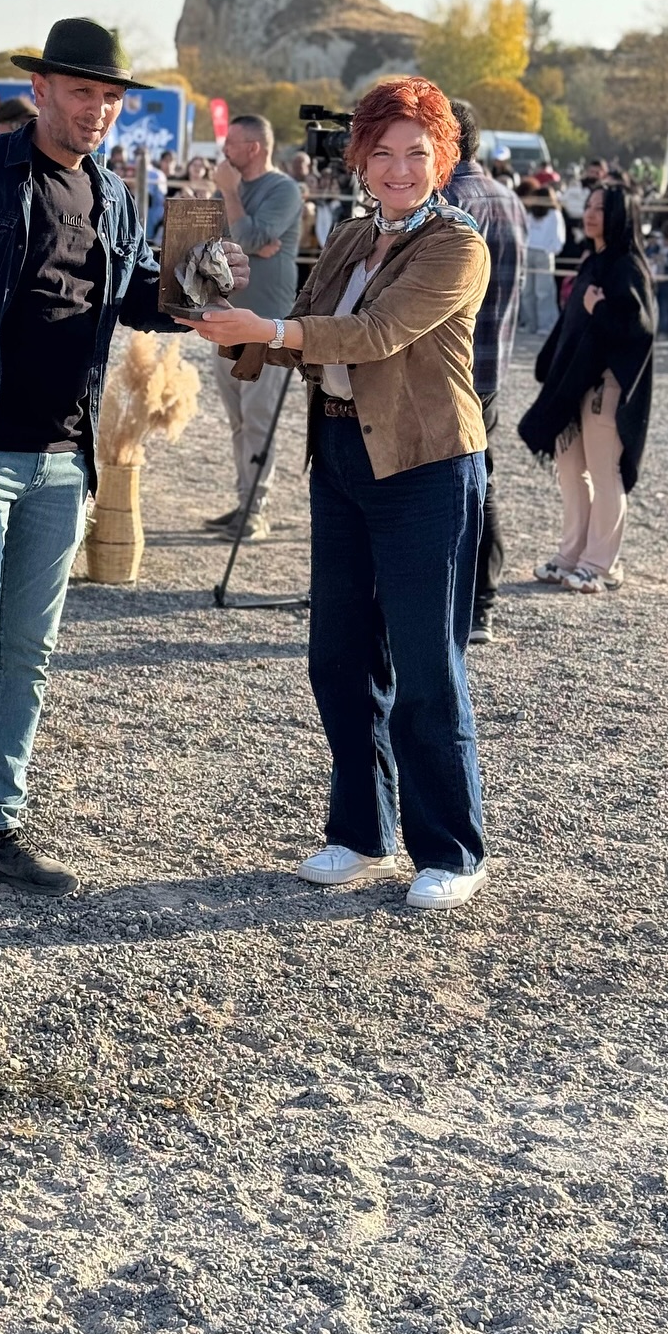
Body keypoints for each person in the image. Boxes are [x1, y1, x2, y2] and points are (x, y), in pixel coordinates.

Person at [0, 17, 249, 915]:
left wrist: (203, 287)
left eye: (109, 97)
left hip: (65, 457)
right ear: (43, 90)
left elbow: (142, 292)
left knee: (26, 652)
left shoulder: (112, 190)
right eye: (83, 93)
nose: (98, 110)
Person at [184, 76, 492, 912]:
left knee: (428, 665)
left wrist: (272, 329)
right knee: (338, 659)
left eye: (416, 154)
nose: (398, 168)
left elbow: (374, 335)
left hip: (427, 469)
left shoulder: (456, 244)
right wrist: (230, 310)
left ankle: (454, 848)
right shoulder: (354, 237)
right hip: (344, 461)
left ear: (442, 159)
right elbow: (304, 335)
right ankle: (362, 833)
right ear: (359, 158)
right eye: (383, 152)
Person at [519, 184, 654, 593]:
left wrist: (602, 309)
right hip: (571, 384)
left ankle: (601, 564)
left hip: (604, 387)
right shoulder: (592, 260)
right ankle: (571, 555)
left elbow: (640, 329)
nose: (591, 214)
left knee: (603, 470)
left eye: (601, 208)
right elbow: (570, 324)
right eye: (589, 206)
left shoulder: (627, 267)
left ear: (619, 215)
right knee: (570, 471)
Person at [443, 98, 527, 643]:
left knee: (445, 485)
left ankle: (461, 604)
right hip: (492, 362)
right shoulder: (509, 197)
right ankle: (484, 603)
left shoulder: (446, 200)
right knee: (482, 480)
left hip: (446, 365)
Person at [205, 114, 305, 542]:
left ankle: (257, 511)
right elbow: (216, 243)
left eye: (233, 143)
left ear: (255, 148)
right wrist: (247, 236)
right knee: (239, 421)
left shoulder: (283, 189)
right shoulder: (230, 191)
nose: (224, 151)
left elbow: (247, 237)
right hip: (227, 322)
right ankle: (244, 501)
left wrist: (230, 195)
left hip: (267, 326)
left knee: (259, 420)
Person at [519, 185, 566, 335]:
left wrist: (550, 250)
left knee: (541, 291)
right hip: (532, 252)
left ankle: (544, 325)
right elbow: (558, 236)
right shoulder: (531, 213)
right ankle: (532, 324)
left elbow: (557, 236)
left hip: (541, 253)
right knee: (530, 291)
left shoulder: (553, 214)